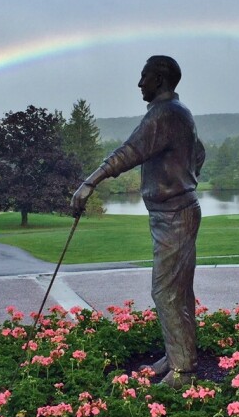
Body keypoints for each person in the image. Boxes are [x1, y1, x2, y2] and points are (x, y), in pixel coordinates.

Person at [71, 55, 204, 388]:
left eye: (144, 77)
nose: (139, 83)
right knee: (179, 291)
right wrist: (185, 178)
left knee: (166, 292)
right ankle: (180, 355)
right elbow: (199, 153)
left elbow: (129, 151)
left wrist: (91, 181)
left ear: (158, 79)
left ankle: (183, 372)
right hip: (178, 210)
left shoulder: (163, 114)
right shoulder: (181, 112)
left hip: (174, 214)